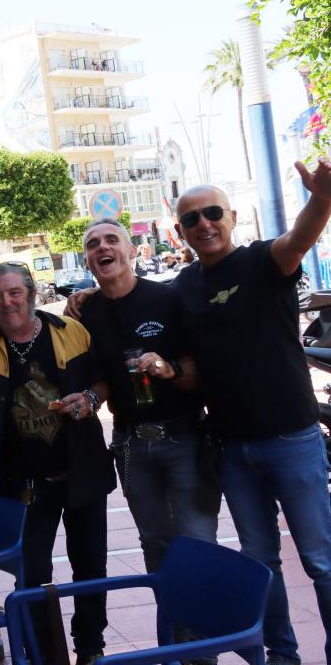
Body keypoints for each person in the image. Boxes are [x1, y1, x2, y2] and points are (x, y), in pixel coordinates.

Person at [172, 170, 331, 665]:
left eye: (212, 213)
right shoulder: (184, 287)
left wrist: (322, 199)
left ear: (232, 217)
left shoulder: (264, 260)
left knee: (321, 560)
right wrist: (86, 299)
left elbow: (300, 237)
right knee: (260, 562)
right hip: (232, 448)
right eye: (191, 219)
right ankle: (282, 656)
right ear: (179, 231)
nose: (204, 224)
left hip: (292, 438)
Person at [0, 262, 115, 665]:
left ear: (32, 294)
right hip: (24, 482)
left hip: (82, 470)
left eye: (14, 293)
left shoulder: (71, 332)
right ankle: (44, 654)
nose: (6, 302)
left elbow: (103, 380)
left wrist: (90, 399)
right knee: (32, 574)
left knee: (91, 565)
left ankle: (91, 647)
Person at [79, 220, 217, 573]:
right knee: (155, 544)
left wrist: (169, 368)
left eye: (112, 240)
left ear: (131, 251)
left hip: (183, 437)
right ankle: (172, 613)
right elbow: (101, 378)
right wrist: (90, 399)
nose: (102, 247)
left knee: (198, 541)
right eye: (93, 244)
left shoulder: (167, 299)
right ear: (87, 261)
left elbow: (201, 369)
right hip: (130, 444)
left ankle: (209, 611)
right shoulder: (85, 313)